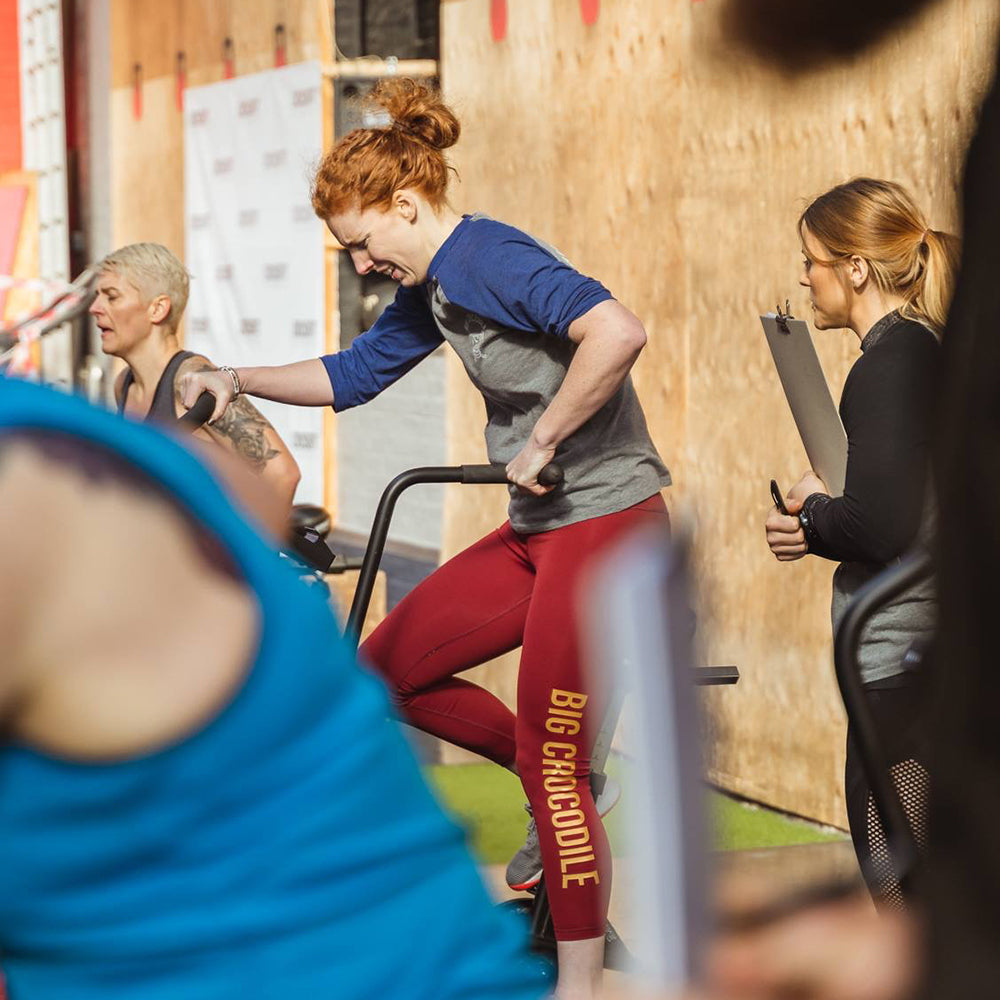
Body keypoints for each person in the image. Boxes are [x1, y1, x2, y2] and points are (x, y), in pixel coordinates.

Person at [179, 77, 672, 999]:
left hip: (605, 524)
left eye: (364, 244)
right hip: (539, 529)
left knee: (555, 767)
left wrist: (544, 439)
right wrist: (232, 377)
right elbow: (355, 374)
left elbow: (616, 331)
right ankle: (558, 780)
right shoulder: (439, 283)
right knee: (387, 673)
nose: (364, 265)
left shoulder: (488, 257)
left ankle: (577, 983)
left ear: (406, 206)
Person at [0, 375, 549, 1000]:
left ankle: (550, 774)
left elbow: (293, 455)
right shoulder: (126, 441)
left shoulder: (39, 472)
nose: (100, 321)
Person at [764, 178, 959, 907]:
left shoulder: (892, 362)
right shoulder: (914, 351)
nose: (803, 278)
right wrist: (819, 509)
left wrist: (813, 516)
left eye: (811, 261)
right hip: (913, 660)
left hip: (901, 662)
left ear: (854, 269)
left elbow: (882, 525)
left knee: (903, 888)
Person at [91, 242, 301, 513]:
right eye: (97, 296)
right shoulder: (125, 385)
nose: (95, 308)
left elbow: (282, 475)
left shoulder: (192, 380)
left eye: (111, 297)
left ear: (157, 309)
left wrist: (234, 541)